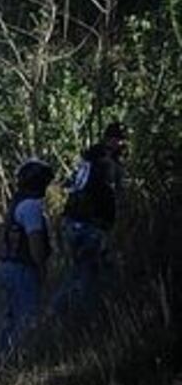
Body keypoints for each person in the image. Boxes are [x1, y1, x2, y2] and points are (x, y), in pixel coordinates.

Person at [55, 120, 126, 314]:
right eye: (118, 140)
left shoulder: (88, 159)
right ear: (110, 140)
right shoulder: (105, 162)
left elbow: (69, 185)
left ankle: (68, 317)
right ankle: (65, 317)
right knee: (86, 276)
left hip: (74, 222)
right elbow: (112, 195)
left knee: (85, 272)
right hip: (90, 225)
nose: (121, 144)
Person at [0, 157, 53, 355]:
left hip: (7, 266)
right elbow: (35, 242)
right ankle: (16, 363)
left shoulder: (16, 203)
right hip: (23, 270)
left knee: (10, 320)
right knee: (26, 321)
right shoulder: (31, 207)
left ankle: (1, 362)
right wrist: (42, 269)